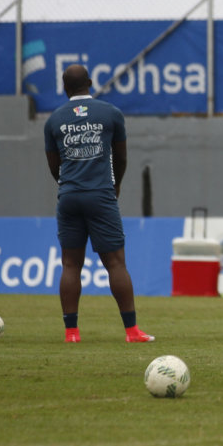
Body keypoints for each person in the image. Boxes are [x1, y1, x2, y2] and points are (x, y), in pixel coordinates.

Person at [44, 64, 154, 343]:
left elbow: (54, 166)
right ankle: (132, 331)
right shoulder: (111, 113)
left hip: (68, 196)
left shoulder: (54, 120)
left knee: (70, 265)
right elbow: (122, 158)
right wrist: (115, 184)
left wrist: (70, 184)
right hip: (101, 194)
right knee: (116, 263)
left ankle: (71, 333)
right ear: (91, 83)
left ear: (64, 87)